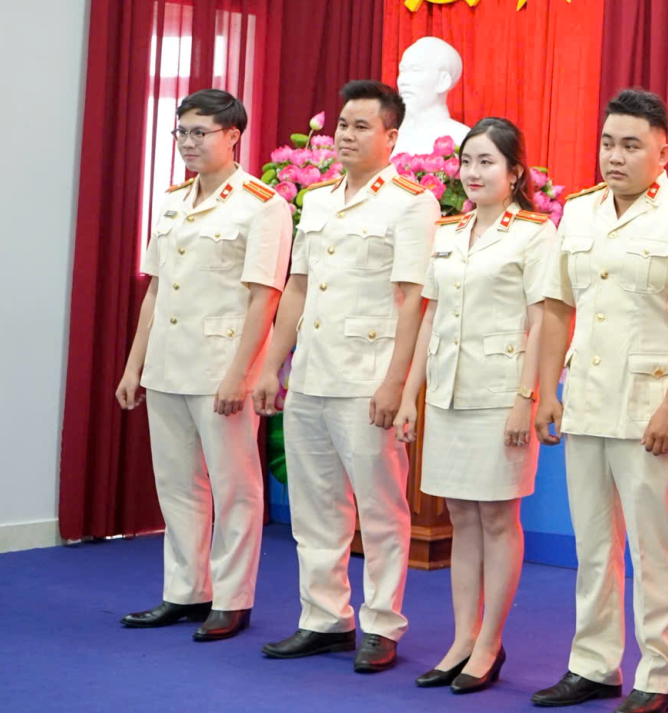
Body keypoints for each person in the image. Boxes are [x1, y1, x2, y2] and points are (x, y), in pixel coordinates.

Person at [251, 80, 439, 671]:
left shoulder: (411, 202)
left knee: (381, 510)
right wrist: (270, 365)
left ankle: (382, 624)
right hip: (311, 373)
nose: (347, 135)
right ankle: (324, 618)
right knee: (315, 507)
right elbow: (297, 288)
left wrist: (394, 383)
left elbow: (413, 300)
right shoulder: (319, 199)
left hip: (367, 376)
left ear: (390, 135)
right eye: (342, 125)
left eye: (361, 126)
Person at [530, 89, 668, 713]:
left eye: (631, 146)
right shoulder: (579, 212)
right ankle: (593, 665)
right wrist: (546, 392)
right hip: (585, 399)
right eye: (608, 143)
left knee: (655, 548)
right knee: (593, 546)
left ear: (663, 153)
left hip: (649, 406)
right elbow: (557, 307)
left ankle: (659, 675)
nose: (615, 156)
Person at [117, 89, 290, 642]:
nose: (188, 143)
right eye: (182, 133)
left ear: (232, 136)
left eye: (200, 133)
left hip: (222, 365)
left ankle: (232, 599)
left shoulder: (262, 204)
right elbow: (155, 289)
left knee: (235, 487)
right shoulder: (172, 201)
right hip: (168, 362)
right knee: (177, 484)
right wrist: (134, 366)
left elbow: (264, 297)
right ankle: (186, 591)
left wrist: (241, 374)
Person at [393, 117, 555, 695]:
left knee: (497, 517)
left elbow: (542, 320)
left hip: (500, 393)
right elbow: (430, 316)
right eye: (467, 161)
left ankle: (490, 642)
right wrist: (410, 395)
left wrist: (525, 399)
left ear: (515, 172)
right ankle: (463, 638)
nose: (473, 172)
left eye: (487, 161)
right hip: (449, 393)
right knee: (461, 516)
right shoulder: (448, 230)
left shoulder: (534, 233)